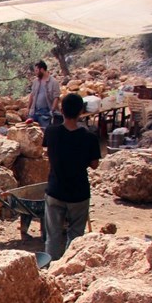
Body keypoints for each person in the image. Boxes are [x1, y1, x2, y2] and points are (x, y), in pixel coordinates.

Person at [43, 93, 100, 261]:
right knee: (75, 236)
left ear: (62, 110)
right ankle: (69, 267)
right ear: (82, 111)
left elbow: (48, 153)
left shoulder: (51, 132)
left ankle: (49, 268)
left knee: (52, 236)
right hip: (79, 193)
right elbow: (95, 164)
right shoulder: (89, 137)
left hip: (55, 190)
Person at [28, 60, 61, 130]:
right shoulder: (35, 81)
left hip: (46, 112)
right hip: (34, 111)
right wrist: (28, 109)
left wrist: (52, 111)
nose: (35, 73)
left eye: (36, 71)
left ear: (42, 70)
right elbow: (32, 95)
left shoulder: (53, 82)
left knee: (45, 131)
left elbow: (56, 98)